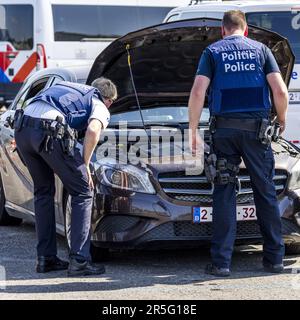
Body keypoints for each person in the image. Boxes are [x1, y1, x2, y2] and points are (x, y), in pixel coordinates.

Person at [188, 10, 289, 277]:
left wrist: (192, 129)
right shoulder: (261, 50)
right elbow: (279, 90)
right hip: (257, 133)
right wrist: (281, 119)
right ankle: (275, 260)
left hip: (224, 133)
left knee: (224, 193)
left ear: (223, 30)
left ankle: (221, 263)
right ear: (246, 30)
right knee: (265, 193)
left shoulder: (212, 51)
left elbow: (198, 91)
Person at [15, 77, 117, 276]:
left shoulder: (66, 87)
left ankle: (46, 259)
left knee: (43, 192)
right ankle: (79, 260)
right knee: (83, 191)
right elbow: (93, 130)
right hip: (48, 130)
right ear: (109, 101)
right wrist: (85, 164)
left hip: (23, 129)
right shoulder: (99, 103)